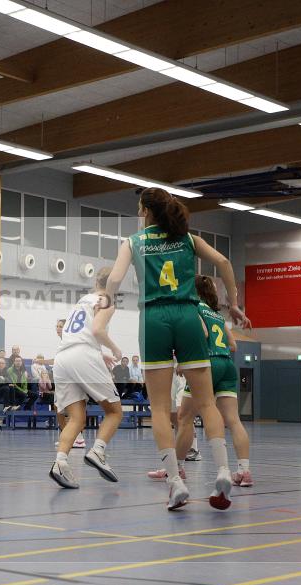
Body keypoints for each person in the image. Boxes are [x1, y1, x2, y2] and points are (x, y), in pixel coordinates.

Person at [105, 187, 251, 511]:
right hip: (187, 315)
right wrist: (235, 304)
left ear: (145, 211)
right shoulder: (188, 239)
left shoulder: (133, 242)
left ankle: (175, 481)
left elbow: (114, 279)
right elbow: (224, 262)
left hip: (154, 319)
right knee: (207, 403)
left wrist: (107, 298)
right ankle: (225, 470)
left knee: (159, 408)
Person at [49, 267, 124, 489]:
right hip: (84, 355)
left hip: (63, 358)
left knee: (76, 418)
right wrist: (115, 349)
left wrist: (101, 353)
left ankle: (60, 463)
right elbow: (97, 331)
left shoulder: (82, 301)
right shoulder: (107, 301)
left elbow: (77, 335)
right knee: (114, 411)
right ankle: (98, 451)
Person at [175, 276, 253, 487]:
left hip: (206, 364)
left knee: (185, 416)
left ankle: (177, 469)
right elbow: (233, 345)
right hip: (226, 365)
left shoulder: (194, 307)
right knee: (233, 420)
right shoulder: (217, 314)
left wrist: (185, 360)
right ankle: (244, 472)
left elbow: (202, 333)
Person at [54, 318, 86, 449]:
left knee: (76, 409)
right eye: (56, 326)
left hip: (73, 379)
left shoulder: (74, 341)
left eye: (60, 326)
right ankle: (67, 435)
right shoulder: (61, 344)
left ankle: (79, 438)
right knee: (57, 407)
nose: (58, 328)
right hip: (61, 380)